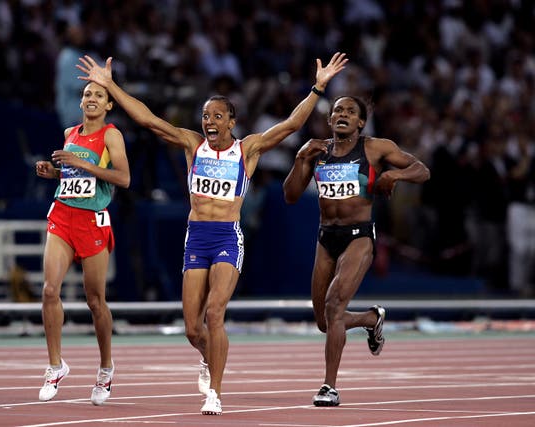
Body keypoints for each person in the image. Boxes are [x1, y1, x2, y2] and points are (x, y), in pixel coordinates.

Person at [76, 52, 348, 415]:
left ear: (232, 121)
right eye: (205, 116)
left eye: (217, 116)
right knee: (192, 328)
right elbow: (149, 120)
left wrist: (318, 87)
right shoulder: (192, 144)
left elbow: (290, 124)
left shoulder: (246, 148)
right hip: (196, 237)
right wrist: (110, 86)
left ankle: (215, 393)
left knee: (215, 313)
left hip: (226, 238)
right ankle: (209, 357)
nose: (210, 121)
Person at [283, 95, 430, 406]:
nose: (343, 114)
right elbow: (291, 196)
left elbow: (422, 170)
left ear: (361, 122)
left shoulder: (375, 147)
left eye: (350, 111)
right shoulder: (317, 150)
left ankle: (329, 387)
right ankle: (370, 318)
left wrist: (394, 174)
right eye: (337, 110)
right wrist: (299, 159)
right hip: (326, 238)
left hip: (358, 236)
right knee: (325, 320)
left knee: (335, 306)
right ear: (329, 118)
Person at [34, 80, 130, 405]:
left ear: (108, 106)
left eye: (98, 95)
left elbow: (124, 178)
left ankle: (105, 369)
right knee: (49, 290)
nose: (91, 99)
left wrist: (83, 164)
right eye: (87, 94)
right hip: (63, 216)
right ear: (81, 102)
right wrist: (55, 174)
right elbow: (72, 177)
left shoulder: (111, 135)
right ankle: (54, 366)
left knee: (95, 302)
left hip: (92, 222)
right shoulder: (69, 133)